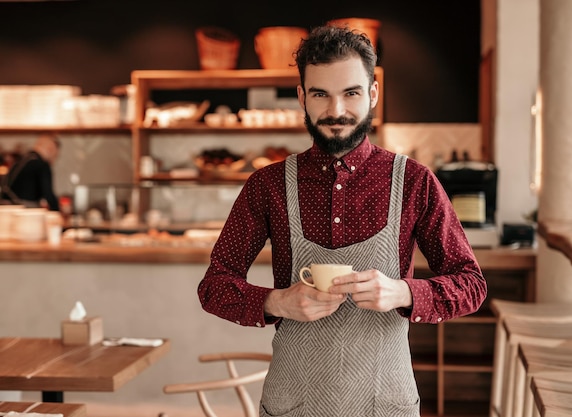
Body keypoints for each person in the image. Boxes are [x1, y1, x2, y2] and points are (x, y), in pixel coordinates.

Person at [197, 25, 487, 416]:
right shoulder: (266, 185)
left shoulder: (415, 181)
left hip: (384, 403)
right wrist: (276, 301)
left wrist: (403, 294)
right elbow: (214, 286)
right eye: (320, 94)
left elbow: (470, 284)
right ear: (302, 97)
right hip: (293, 403)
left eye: (350, 93)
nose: (336, 111)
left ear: (373, 93)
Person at [0, 132, 60, 210]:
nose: (53, 161)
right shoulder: (41, 164)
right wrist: (58, 210)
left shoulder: (22, 160)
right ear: (50, 149)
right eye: (55, 156)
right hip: (25, 212)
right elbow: (48, 195)